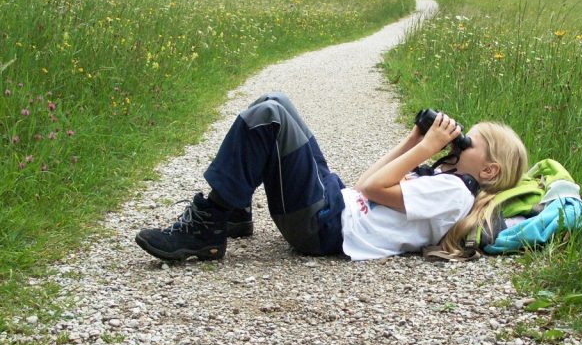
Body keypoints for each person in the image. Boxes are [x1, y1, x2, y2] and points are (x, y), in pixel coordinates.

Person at [135, 92, 528, 263]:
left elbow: (373, 188)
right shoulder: (445, 181)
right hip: (335, 203)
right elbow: (364, 183)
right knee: (276, 101)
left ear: (489, 170)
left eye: (469, 140)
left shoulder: (454, 195)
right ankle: (233, 209)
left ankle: (209, 226)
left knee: (270, 116)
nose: (461, 139)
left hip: (323, 225)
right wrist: (413, 141)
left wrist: (425, 150)